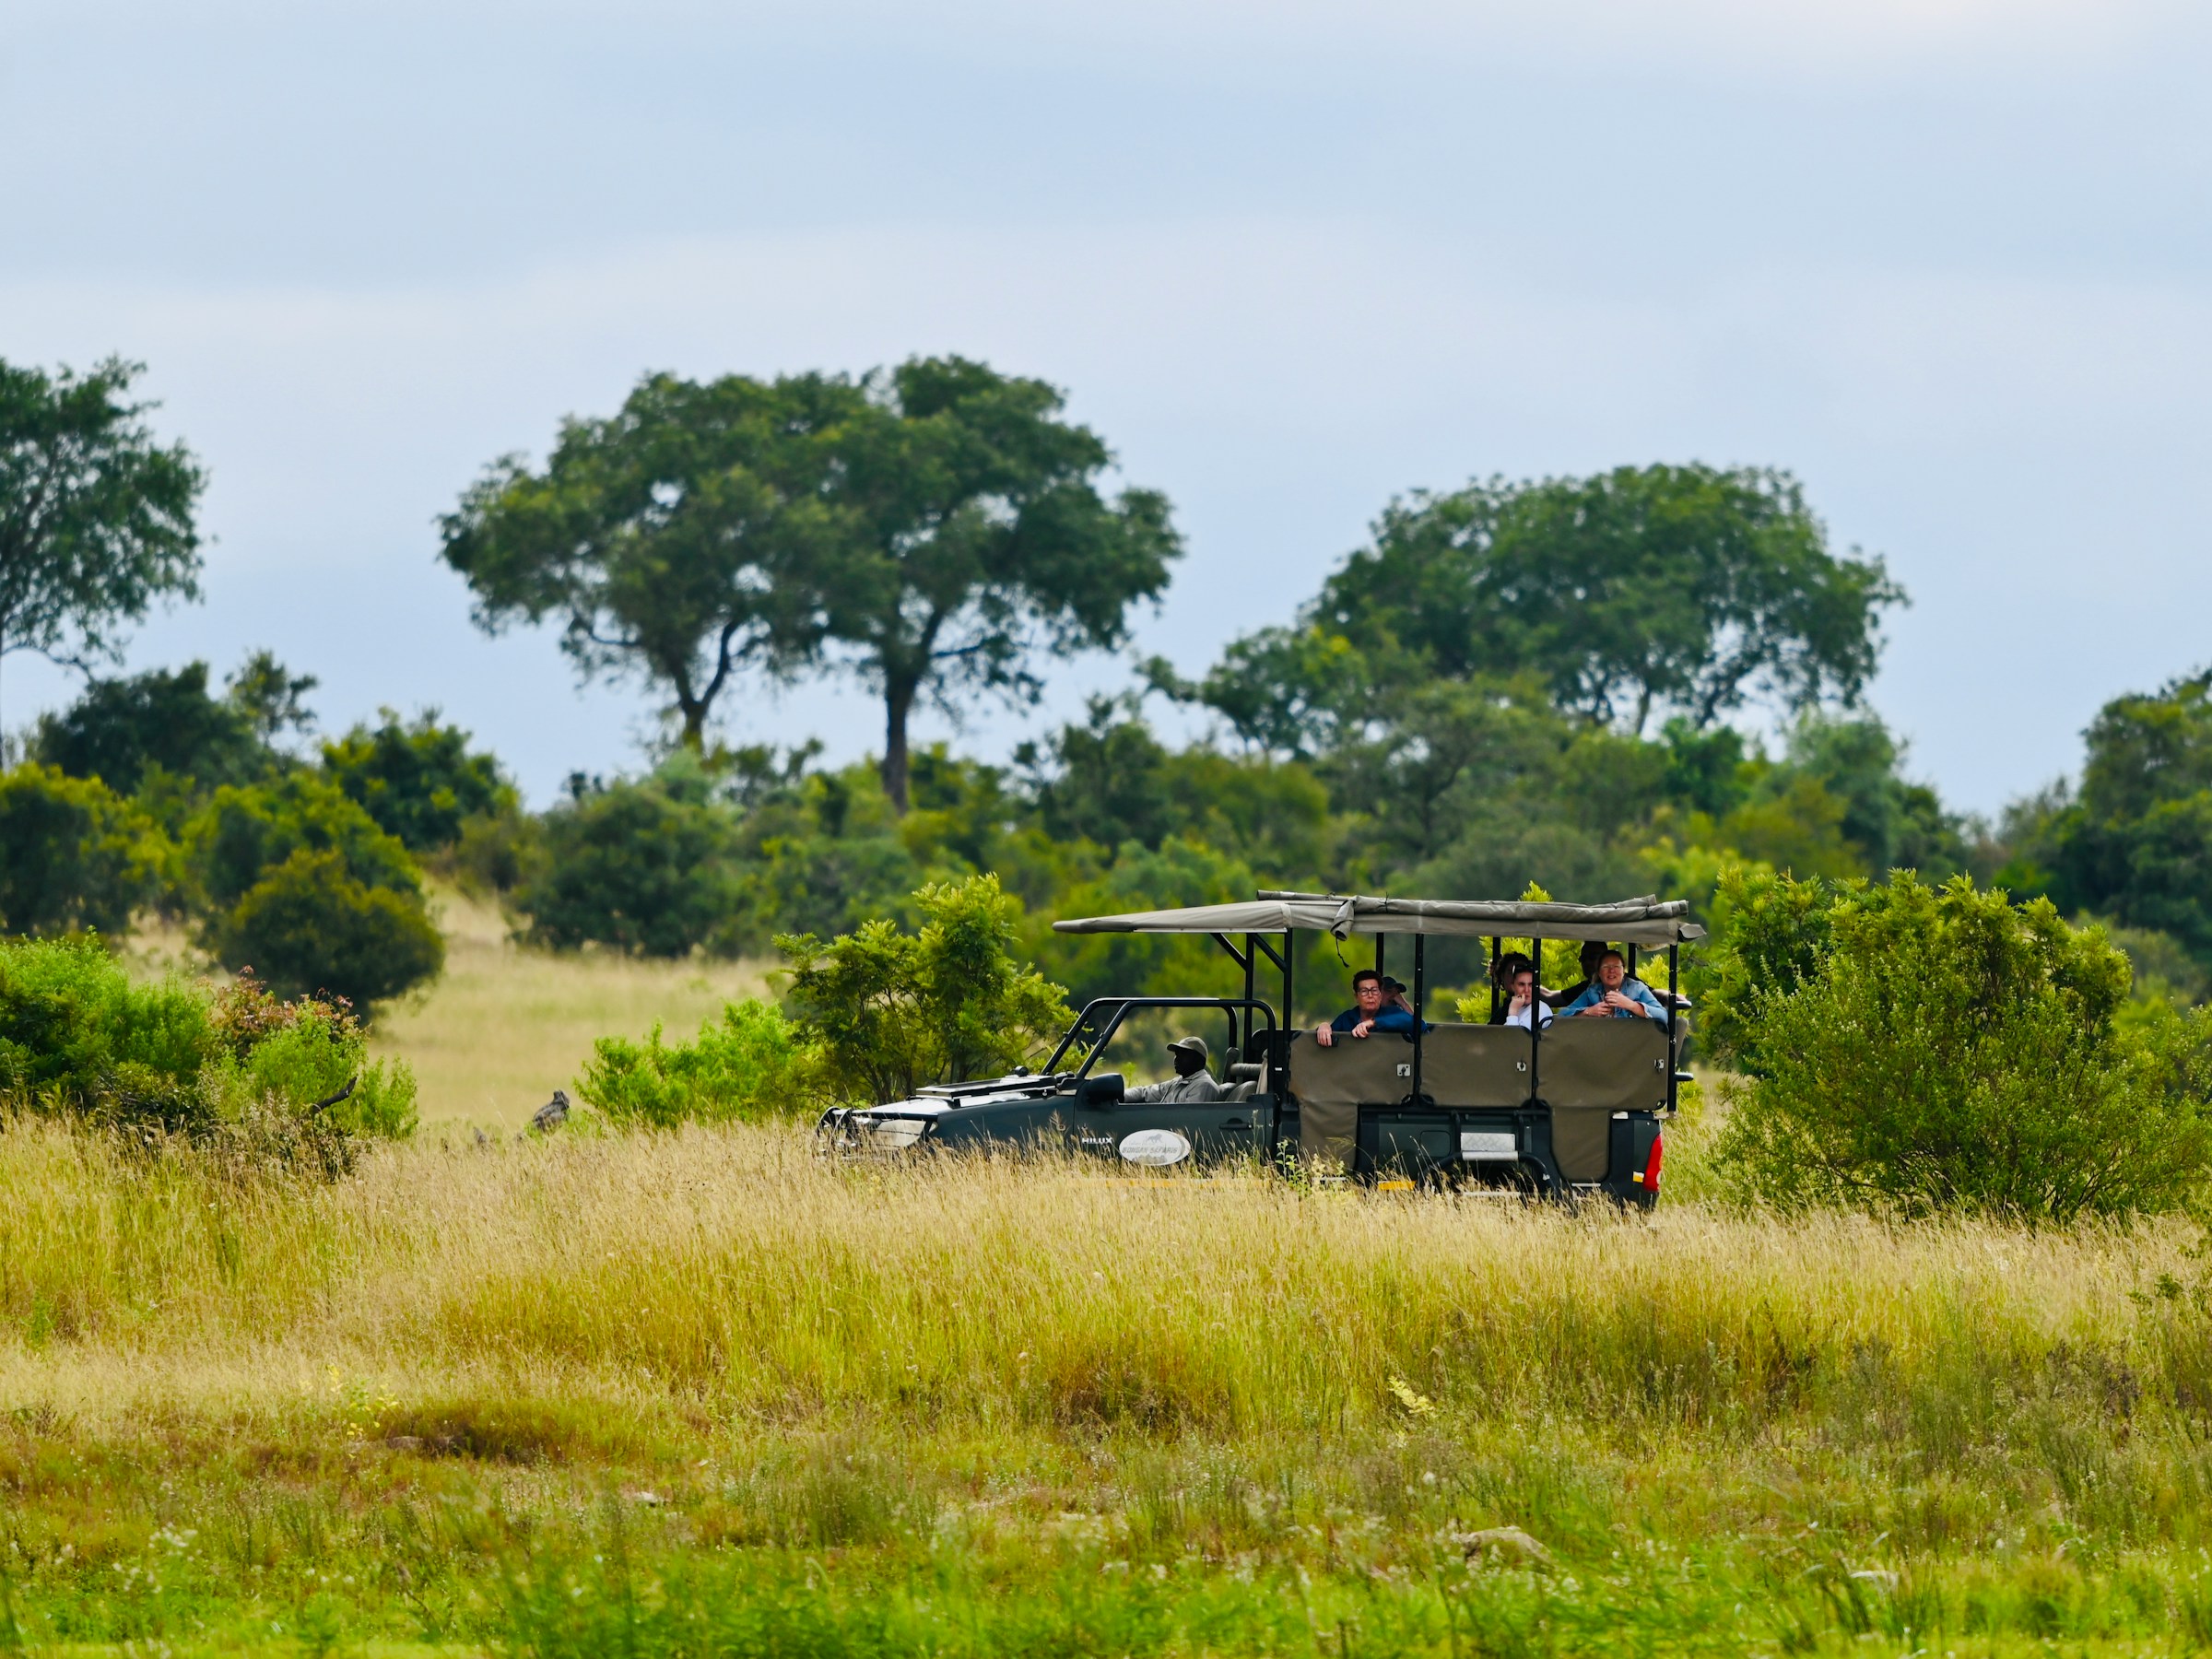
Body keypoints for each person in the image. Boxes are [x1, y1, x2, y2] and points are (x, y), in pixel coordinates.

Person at [1313, 968, 1418, 1047]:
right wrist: (1323, 1026)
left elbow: (1415, 1024)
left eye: (1374, 990)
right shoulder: (1347, 1018)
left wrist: (1373, 1022)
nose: (1370, 995)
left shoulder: (1393, 1013)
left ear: (1380, 995)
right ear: (1356, 997)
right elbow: (1327, 1036)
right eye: (1364, 991)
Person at [1559, 949, 1669, 1021]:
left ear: (1623, 970)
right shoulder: (1592, 991)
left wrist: (1631, 1005)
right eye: (1606, 967)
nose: (1611, 971)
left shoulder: (1637, 988)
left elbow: (1663, 1015)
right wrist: (1589, 1012)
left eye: (1616, 966)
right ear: (1599, 973)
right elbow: (1562, 1015)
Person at [1123, 1035, 1226, 1103]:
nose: (1177, 1059)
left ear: (1200, 1060)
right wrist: (1118, 1096)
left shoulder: (1203, 1086)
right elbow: (1145, 1092)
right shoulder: (1177, 1082)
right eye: (1177, 1054)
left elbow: (1186, 1121)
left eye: (1184, 1054)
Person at [1543, 941, 1611, 1010]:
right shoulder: (1585, 988)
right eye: (1583, 959)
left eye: (1593, 957)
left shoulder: (1620, 985)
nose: (1587, 962)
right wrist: (1532, 981)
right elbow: (1550, 998)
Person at [1500, 964, 1554, 1029]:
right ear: (1513, 987)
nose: (1526, 990)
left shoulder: (1540, 1009)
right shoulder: (1519, 1008)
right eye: (1521, 984)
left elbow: (1515, 1037)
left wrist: (1513, 1011)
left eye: (1531, 985)